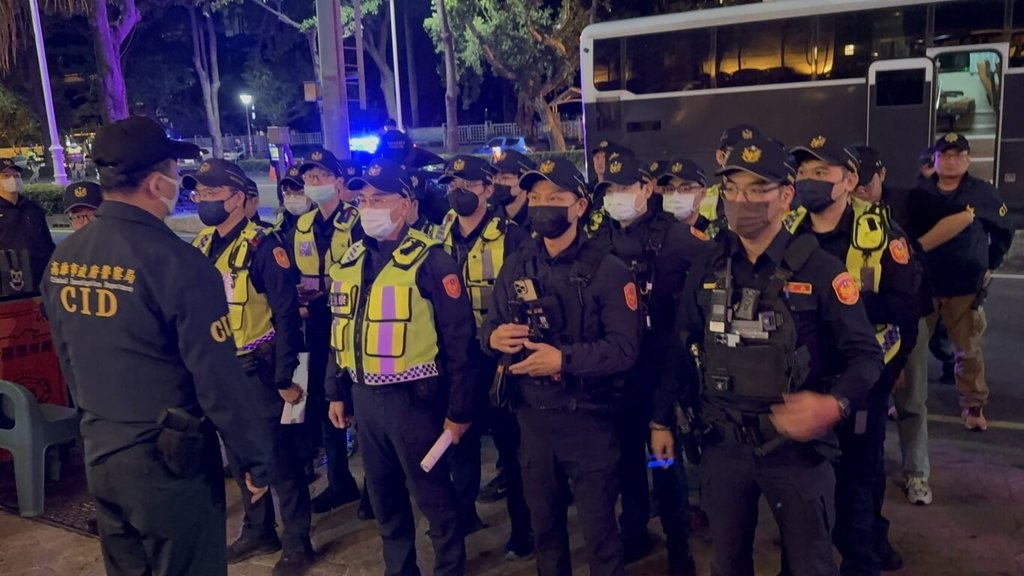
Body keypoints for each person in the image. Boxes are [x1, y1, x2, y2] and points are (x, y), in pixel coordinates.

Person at [41, 115, 273, 575]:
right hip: (169, 462)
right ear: (154, 183)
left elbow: (67, 353)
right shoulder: (177, 262)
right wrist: (254, 458)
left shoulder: (65, 258)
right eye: (172, 171)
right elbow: (217, 378)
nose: (178, 183)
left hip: (101, 450)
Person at [651, 136, 882, 576]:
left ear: (786, 196)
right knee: (727, 563)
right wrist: (661, 420)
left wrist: (833, 404)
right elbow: (680, 346)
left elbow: (867, 357)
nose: (742, 201)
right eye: (733, 189)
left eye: (758, 189)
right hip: (722, 446)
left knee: (810, 565)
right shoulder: (707, 265)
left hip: (797, 452)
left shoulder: (821, 270)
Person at [482, 157, 642, 576]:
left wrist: (563, 360)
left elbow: (624, 349)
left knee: (600, 536)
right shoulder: (517, 264)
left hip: (589, 420)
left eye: (556, 198)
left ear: (581, 206)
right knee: (546, 535)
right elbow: (490, 325)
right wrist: (495, 338)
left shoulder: (609, 270)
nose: (543, 206)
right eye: (536, 197)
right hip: (533, 421)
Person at [324, 158, 476, 576]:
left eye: (380, 199)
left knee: (434, 498)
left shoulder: (433, 261)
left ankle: (450, 569)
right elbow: (341, 330)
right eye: (364, 200)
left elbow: (460, 344)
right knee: (384, 499)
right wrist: (335, 391)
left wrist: (459, 411)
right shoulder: (352, 260)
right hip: (364, 400)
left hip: (415, 404)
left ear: (406, 206)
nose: (369, 207)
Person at [787, 136, 919, 575]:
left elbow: (906, 308)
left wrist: (846, 303)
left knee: (860, 476)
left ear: (848, 180)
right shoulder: (788, 231)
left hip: (862, 380)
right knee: (803, 481)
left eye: (820, 172)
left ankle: (864, 554)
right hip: (803, 380)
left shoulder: (882, 234)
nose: (809, 181)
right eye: (803, 172)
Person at [185, 159, 314, 574]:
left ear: (239, 199)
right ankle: (259, 529)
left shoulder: (264, 247)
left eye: (213, 193)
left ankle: (297, 541)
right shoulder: (201, 244)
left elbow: (287, 317)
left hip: (261, 371)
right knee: (240, 457)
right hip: (220, 372)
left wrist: (285, 377)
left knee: (280, 459)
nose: (204, 201)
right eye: (200, 193)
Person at [588, 154, 699, 575]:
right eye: (610, 190)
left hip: (660, 374)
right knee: (626, 464)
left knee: (664, 465)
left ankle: (679, 550)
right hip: (616, 375)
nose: (617, 197)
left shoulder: (676, 237)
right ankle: (634, 533)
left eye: (625, 188)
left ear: (647, 189)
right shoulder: (599, 240)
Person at [434, 154, 533, 555]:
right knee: (459, 442)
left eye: (468, 185)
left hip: (497, 360)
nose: (458, 192)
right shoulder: (438, 235)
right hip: (453, 358)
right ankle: (463, 516)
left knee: (512, 449)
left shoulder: (512, 237)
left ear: (488, 190)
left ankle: (523, 531)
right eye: (452, 185)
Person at [908, 133, 1014, 431]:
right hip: (924, 284)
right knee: (911, 348)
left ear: (968, 160)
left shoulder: (982, 193)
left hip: (965, 286)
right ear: (935, 159)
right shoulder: (920, 192)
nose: (951, 161)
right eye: (945, 155)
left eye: (958, 155)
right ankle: (906, 402)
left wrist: (990, 263)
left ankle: (973, 406)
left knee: (967, 350)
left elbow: (1004, 230)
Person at [287, 148, 364, 513]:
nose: (312, 182)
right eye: (308, 177)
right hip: (316, 326)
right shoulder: (301, 225)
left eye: (320, 176)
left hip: (352, 325)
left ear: (337, 181)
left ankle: (377, 487)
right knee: (323, 400)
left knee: (360, 404)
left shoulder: (358, 221)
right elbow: (291, 274)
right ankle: (340, 481)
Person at [697, 124, 762, 240]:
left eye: (754, 154)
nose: (746, 160)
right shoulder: (700, 201)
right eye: (738, 154)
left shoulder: (774, 198)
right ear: (720, 157)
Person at [0, 157, 55, 293]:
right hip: (7, 283)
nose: (13, 179)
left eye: (16, 176)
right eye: (6, 176)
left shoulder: (33, 208)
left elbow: (47, 243)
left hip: (38, 280)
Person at [489, 149, 537, 231]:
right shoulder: (487, 215)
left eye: (505, 178)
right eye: (495, 177)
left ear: (524, 181)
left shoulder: (538, 219)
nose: (497, 182)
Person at [276, 163, 311, 240]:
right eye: (288, 193)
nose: (292, 198)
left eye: (299, 193)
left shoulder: (320, 223)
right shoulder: (282, 222)